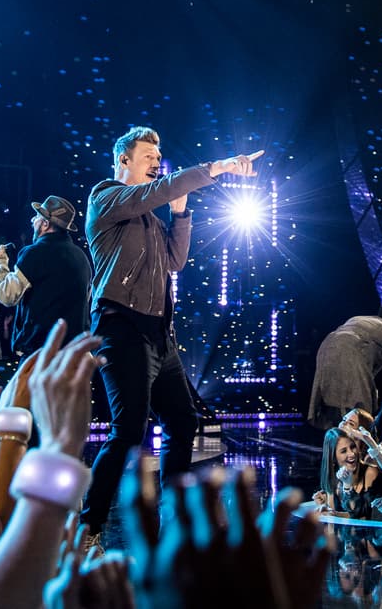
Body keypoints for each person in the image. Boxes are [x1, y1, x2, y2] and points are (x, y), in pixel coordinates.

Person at [78, 125, 263, 545]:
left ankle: (174, 519)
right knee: (128, 430)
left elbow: (176, 261)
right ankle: (88, 525)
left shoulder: (149, 217)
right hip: (120, 324)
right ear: (124, 160)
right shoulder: (106, 198)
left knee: (183, 420)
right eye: (148, 157)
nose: (156, 163)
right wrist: (218, 167)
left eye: (159, 158)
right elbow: (151, 193)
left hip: (159, 333)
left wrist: (181, 215)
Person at [0, 194, 92, 357]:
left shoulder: (33, 253)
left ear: (45, 224)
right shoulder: (82, 258)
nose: (32, 220)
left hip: (40, 355)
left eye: (37, 216)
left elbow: (7, 295)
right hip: (75, 357)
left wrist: (0, 262)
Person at [308, 302, 382, 429]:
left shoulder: (357, 319)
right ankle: (358, 442)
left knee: (333, 401)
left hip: (325, 349)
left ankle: (336, 442)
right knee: (361, 405)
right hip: (348, 353)